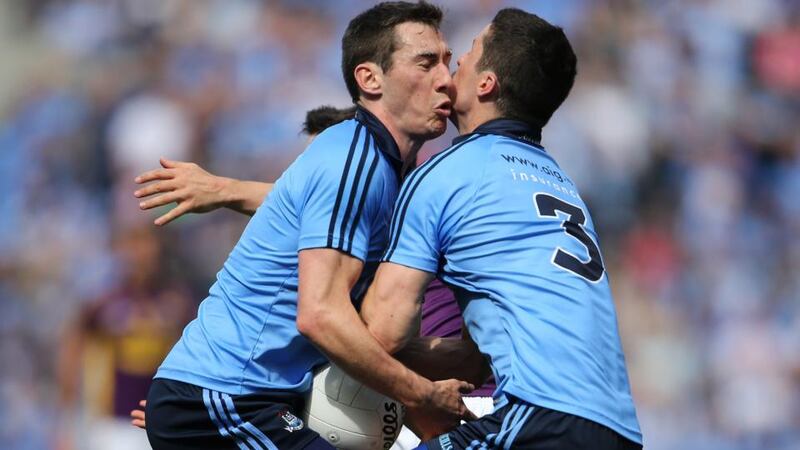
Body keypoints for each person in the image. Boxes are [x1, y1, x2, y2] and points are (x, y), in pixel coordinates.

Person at [142, 3, 479, 450]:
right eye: (425, 62)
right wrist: (422, 394)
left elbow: (298, 211)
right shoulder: (355, 161)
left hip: (247, 398)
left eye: (445, 61)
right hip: (225, 397)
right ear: (370, 79)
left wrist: (480, 362)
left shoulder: (383, 168)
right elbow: (320, 316)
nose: (446, 79)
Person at [360, 8, 643, 449]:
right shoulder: (563, 185)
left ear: (486, 84)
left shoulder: (451, 172)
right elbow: (477, 357)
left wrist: (328, 335)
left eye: (466, 57)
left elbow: (383, 331)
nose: (451, 68)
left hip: (539, 415)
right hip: (618, 428)